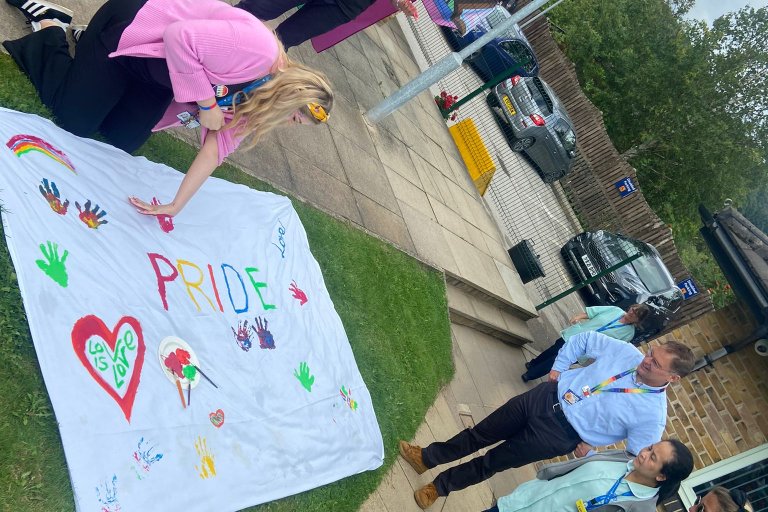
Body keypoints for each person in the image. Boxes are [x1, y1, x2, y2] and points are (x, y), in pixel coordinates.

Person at [3, 0, 333, 218]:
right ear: (294, 94)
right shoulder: (258, 51)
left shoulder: (261, 103)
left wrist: (177, 205)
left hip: (157, 76)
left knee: (121, 141)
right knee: (76, 120)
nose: (291, 123)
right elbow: (179, 37)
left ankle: (85, 49)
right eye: (297, 116)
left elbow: (216, 149)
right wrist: (206, 105)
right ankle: (51, 27)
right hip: (131, 32)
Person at [398, 333, 695, 509]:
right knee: (480, 433)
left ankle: (438, 488)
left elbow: (635, 458)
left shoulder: (652, 415)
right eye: (650, 354)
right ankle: (427, 457)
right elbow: (584, 340)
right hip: (544, 397)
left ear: (672, 378)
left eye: (655, 364)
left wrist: (590, 451)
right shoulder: (626, 352)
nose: (646, 361)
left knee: (494, 461)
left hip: (557, 435)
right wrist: (560, 366)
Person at [483, 439, 694, 512]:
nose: (644, 454)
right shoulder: (622, 458)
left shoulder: (640, 507)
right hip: (520, 501)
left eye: (653, 457)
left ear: (662, 477)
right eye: (649, 448)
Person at [522, 304, 650, 382]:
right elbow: (594, 312)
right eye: (634, 308)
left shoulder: (629, 333)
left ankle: (530, 375)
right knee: (552, 350)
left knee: (556, 360)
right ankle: (533, 364)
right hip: (576, 335)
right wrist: (578, 317)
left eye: (636, 314)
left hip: (585, 349)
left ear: (638, 320)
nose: (632, 312)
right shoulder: (615, 310)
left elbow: (612, 348)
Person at [236, 0, 418, 50]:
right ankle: (210, 37)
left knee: (281, 42)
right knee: (256, 7)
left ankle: (230, 78)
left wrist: (400, 3)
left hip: (344, 6)